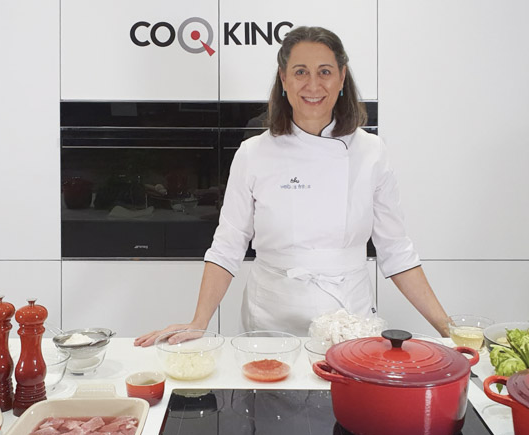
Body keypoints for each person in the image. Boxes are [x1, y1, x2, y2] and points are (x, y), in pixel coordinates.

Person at [135, 26, 448, 346]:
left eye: (325, 71)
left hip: (348, 319)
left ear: (342, 78)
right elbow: (228, 245)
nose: (313, 84)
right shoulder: (253, 153)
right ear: (284, 79)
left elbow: (395, 250)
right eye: (300, 72)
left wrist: (448, 329)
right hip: (271, 319)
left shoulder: (371, 152)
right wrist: (199, 321)